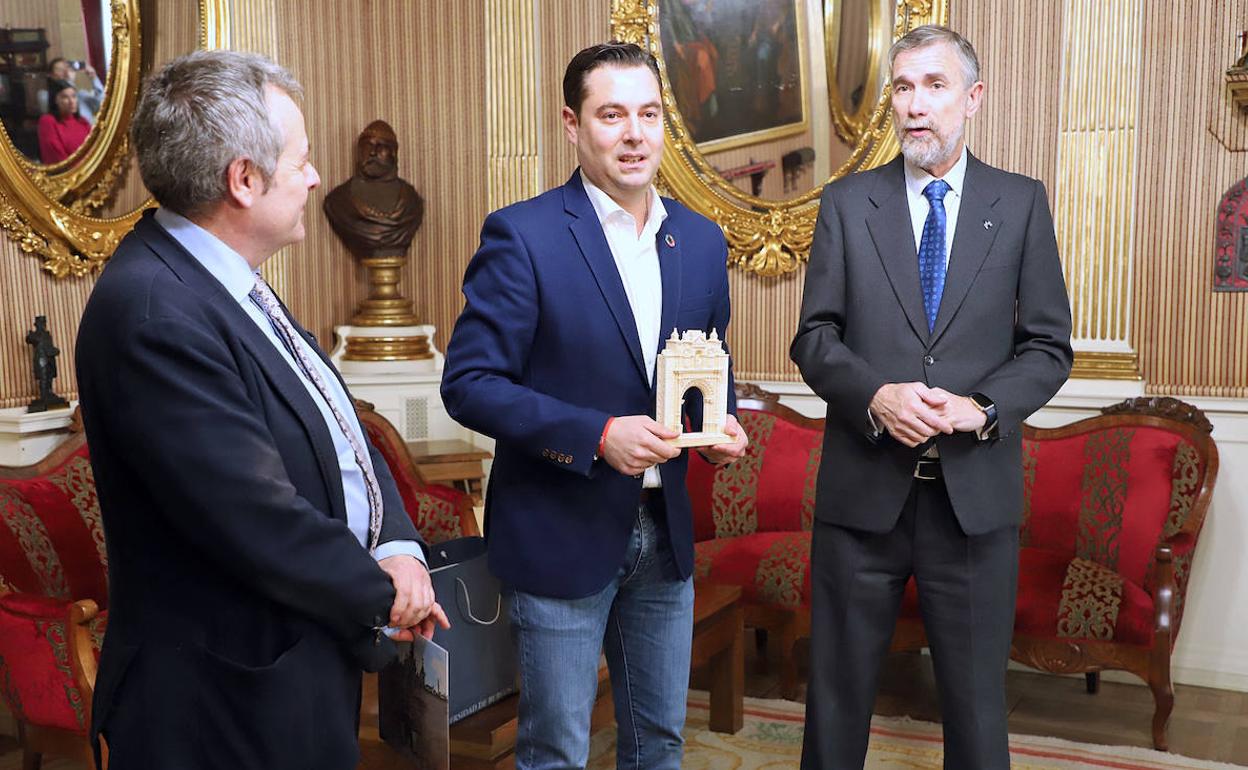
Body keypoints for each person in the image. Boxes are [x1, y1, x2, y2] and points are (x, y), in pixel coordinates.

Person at [75, 50, 448, 770]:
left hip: (282, 676)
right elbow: (254, 517)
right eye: (301, 160)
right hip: (217, 705)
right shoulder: (156, 313)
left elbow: (339, 425)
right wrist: (386, 594)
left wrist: (398, 546)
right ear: (243, 180)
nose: (314, 176)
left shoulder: (218, 276)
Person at [441, 41, 749, 770]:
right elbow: (470, 383)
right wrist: (596, 434)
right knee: (554, 751)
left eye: (648, 113)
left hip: (664, 534)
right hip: (559, 530)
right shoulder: (524, 235)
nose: (635, 133)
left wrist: (720, 423)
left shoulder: (701, 242)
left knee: (659, 744)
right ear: (572, 124)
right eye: (612, 114)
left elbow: (706, 362)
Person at [790, 25, 1073, 770]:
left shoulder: (1019, 204)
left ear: (973, 98)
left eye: (936, 86)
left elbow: (1048, 345)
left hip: (972, 504)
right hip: (861, 498)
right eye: (903, 87)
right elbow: (814, 338)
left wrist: (982, 409)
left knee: (979, 713)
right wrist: (875, 394)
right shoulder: (849, 204)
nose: (916, 105)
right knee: (836, 703)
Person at [322, 119, 424, 258]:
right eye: (366, 146)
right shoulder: (338, 201)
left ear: (393, 153)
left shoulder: (412, 202)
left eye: (381, 146)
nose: (372, 153)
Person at [37, 79, 91, 163]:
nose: (71, 101)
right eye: (65, 97)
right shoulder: (48, 121)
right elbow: (56, 157)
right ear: (55, 100)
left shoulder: (83, 121)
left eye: (74, 96)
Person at [38, 57, 105, 121]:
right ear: (50, 75)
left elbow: (102, 105)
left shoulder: (82, 94)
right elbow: (65, 112)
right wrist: (69, 82)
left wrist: (94, 78)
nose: (65, 72)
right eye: (60, 70)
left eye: (67, 68)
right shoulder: (44, 95)